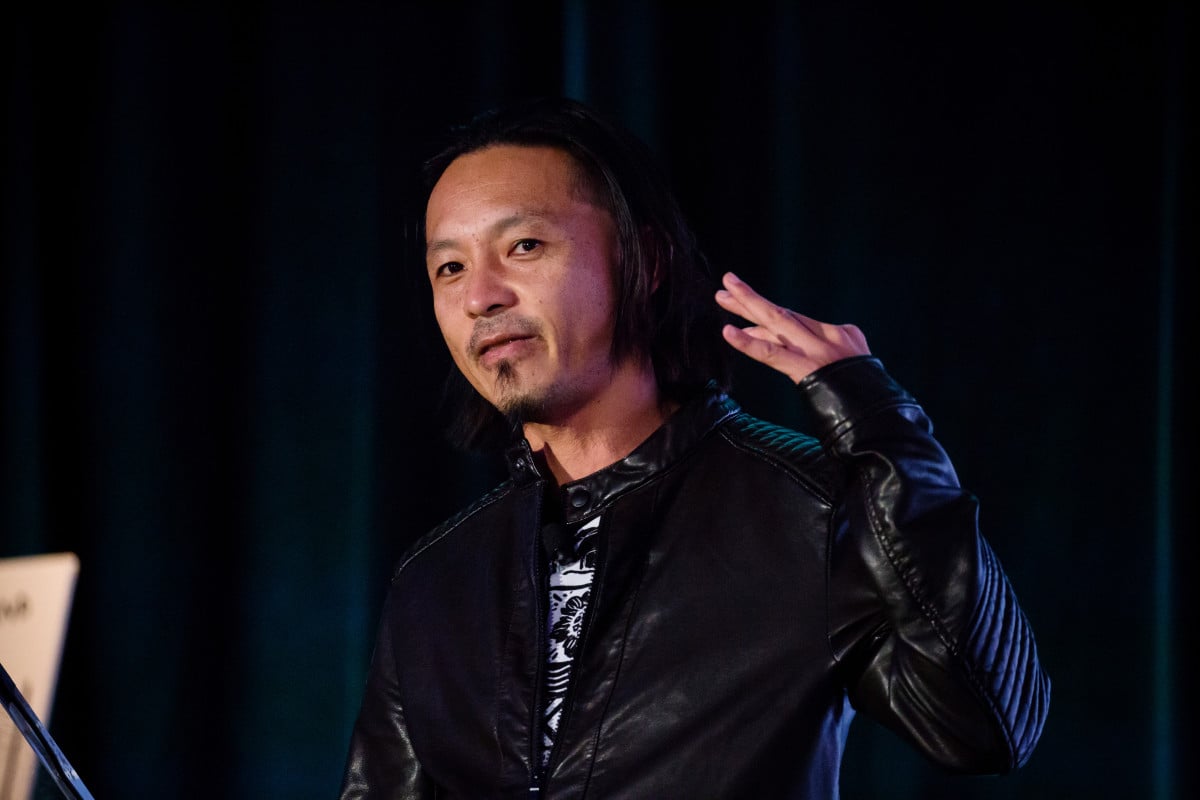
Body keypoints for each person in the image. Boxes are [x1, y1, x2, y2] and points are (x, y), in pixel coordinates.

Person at [339, 97, 1049, 799]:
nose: (480, 297)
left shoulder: (807, 510)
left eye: (523, 246)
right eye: (450, 268)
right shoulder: (436, 579)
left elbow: (986, 728)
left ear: (645, 260)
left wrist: (883, 426)